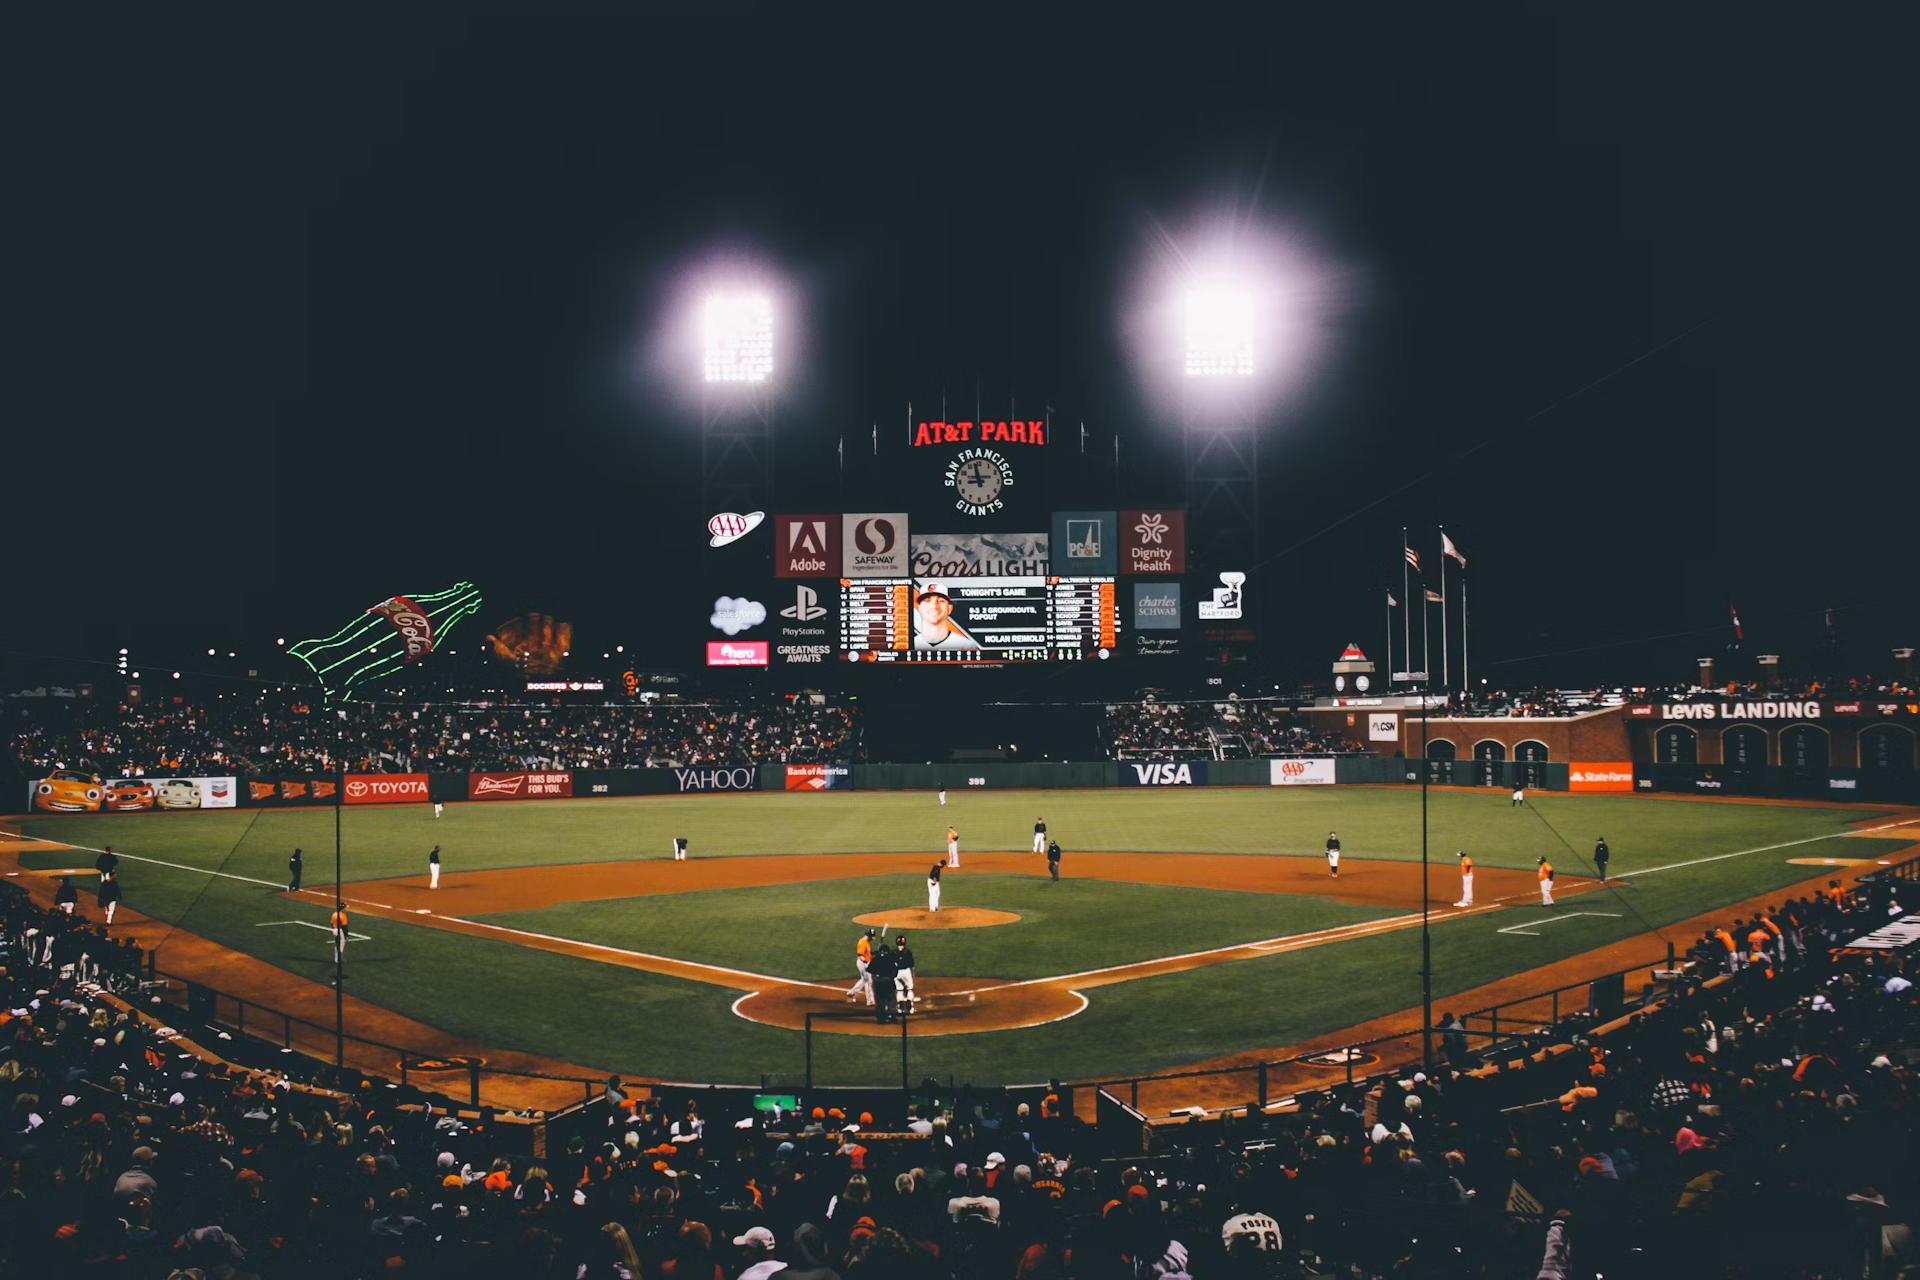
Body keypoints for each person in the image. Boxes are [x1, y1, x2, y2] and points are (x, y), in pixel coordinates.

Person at [869, 939, 899, 1023]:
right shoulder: (890, 958)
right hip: (888, 981)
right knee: (891, 999)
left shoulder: (876, 958)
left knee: (879, 1000)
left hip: (878, 982)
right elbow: (895, 971)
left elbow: (870, 970)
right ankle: (892, 1016)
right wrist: (891, 977)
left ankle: (881, 1018)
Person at [846, 929, 875, 1005]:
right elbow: (860, 955)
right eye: (872, 937)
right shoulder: (862, 942)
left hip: (865, 963)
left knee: (865, 980)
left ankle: (851, 992)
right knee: (868, 981)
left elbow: (867, 953)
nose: (872, 939)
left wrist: (874, 953)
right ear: (869, 936)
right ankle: (870, 1001)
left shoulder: (866, 942)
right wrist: (866, 963)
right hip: (863, 963)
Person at [893, 933, 916, 1012]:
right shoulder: (908, 952)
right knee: (909, 989)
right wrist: (912, 974)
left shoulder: (893, 952)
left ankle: (900, 1008)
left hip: (897, 972)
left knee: (899, 990)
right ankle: (911, 1008)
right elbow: (912, 964)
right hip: (906, 972)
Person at [331, 901, 351, 978]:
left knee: (337, 944)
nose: (346, 908)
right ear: (342, 908)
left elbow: (331, 923)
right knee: (341, 944)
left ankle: (336, 959)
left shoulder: (334, 914)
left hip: (334, 930)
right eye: (345, 907)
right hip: (340, 931)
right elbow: (345, 927)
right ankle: (339, 959)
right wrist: (346, 935)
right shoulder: (343, 916)